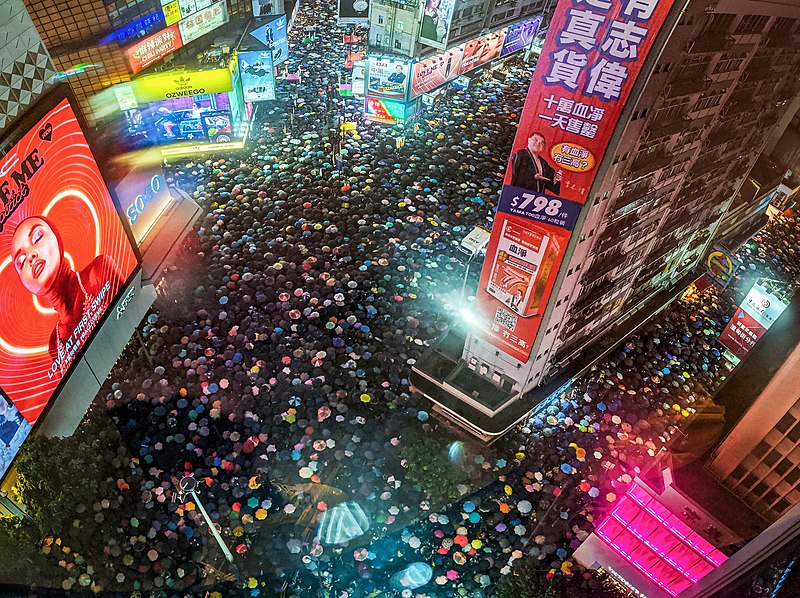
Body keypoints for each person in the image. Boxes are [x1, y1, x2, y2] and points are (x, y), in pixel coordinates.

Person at [11, 216, 123, 373]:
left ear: (56, 237)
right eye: (21, 261)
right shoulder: (54, 344)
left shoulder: (99, 271)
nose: (30, 256)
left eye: (37, 237)